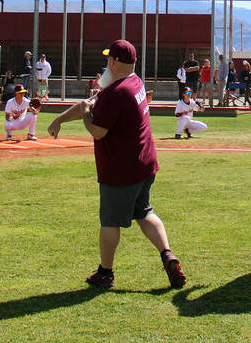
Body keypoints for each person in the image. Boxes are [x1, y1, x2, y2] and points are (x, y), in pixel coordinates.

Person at [47, 39, 186, 291]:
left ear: (113, 62)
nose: (106, 63)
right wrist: (60, 119)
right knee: (144, 212)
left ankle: (105, 272)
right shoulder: (135, 83)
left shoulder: (116, 93)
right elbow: (92, 101)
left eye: (108, 59)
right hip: (145, 164)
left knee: (110, 222)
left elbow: (98, 131)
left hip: (121, 169)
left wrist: (86, 117)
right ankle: (168, 255)